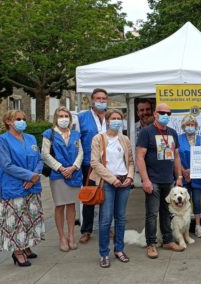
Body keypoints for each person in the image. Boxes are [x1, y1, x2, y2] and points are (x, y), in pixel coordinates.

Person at [0, 110, 45, 267]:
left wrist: (35, 175)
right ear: (9, 121)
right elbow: (7, 165)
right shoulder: (2, 140)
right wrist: (29, 176)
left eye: (24, 119)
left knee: (30, 218)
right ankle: (17, 251)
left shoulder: (30, 138)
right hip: (14, 186)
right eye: (18, 119)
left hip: (32, 185)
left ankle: (27, 245)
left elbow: (40, 158)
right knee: (15, 221)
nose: (22, 121)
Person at [136, 103, 184, 259]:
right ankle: (151, 243)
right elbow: (140, 157)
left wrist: (179, 177)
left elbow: (176, 156)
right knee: (152, 213)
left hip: (169, 181)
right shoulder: (146, 132)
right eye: (162, 112)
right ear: (155, 114)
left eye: (168, 113)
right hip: (153, 181)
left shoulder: (173, 133)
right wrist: (145, 180)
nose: (165, 115)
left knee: (166, 212)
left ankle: (167, 240)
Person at [90, 109, 135, 268]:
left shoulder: (125, 139)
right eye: (113, 118)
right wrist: (112, 179)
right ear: (107, 121)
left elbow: (130, 161)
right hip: (108, 183)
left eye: (119, 118)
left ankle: (119, 249)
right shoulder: (98, 138)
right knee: (106, 220)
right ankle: (104, 253)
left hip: (124, 183)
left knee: (121, 218)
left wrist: (130, 177)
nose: (116, 121)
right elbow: (95, 163)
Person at [42, 106, 83, 252]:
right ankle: (61, 237)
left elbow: (80, 153)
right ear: (55, 118)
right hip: (58, 174)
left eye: (66, 116)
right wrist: (61, 168)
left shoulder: (76, 134)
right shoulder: (49, 134)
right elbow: (45, 155)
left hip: (74, 173)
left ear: (70, 119)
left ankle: (72, 235)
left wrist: (73, 167)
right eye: (60, 116)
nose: (64, 118)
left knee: (71, 205)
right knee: (60, 205)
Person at [75, 88, 108, 244]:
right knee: (89, 196)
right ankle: (86, 230)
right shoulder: (82, 118)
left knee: (108, 196)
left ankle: (108, 227)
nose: (101, 101)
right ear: (92, 100)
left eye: (103, 98)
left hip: (110, 165)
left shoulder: (111, 117)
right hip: (89, 164)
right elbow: (77, 142)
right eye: (98, 98)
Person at [178, 114, 201, 238]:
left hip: (197, 175)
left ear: (196, 126)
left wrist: (193, 170)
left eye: (192, 125)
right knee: (183, 202)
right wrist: (183, 171)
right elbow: (175, 157)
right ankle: (183, 227)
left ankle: (197, 226)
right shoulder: (178, 138)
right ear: (183, 126)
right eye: (187, 125)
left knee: (196, 201)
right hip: (182, 174)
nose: (190, 127)